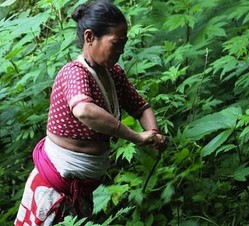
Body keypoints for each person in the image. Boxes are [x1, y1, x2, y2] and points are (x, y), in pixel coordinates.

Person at [14, 0, 166, 225]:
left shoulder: (113, 74)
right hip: (54, 189)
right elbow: (84, 110)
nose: (121, 50)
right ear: (89, 37)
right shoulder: (74, 73)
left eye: (124, 43)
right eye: (116, 43)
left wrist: (152, 132)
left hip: (83, 190)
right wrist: (135, 137)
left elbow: (140, 107)